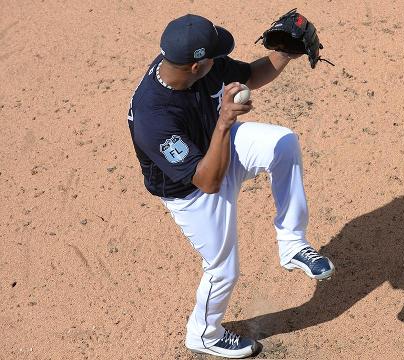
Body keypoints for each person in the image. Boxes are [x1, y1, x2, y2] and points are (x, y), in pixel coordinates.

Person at [126, 14, 335, 358]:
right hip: (191, 190)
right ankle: (204, 334)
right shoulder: (153, 117)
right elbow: (207, 181)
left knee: (282, 143)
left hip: (219, 145)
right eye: (212, 56)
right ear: (195, 66)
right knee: (223, 269)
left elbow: (252, 73)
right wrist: (224, 120)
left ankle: (292, 243)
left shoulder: (203, 66)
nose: (219, 59)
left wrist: (284, 52)